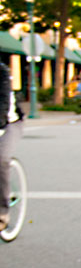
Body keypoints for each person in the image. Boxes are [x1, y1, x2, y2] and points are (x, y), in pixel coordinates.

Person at [0, 60, 23, 232]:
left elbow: (3, 105)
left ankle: (2, 212)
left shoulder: (2, 72)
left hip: (9, 123)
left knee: (1, 159)